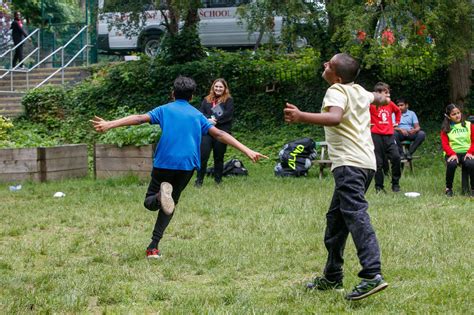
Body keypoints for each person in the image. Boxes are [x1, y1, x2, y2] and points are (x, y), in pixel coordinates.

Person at [91, 76, 267, 259]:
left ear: (173, 93)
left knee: (150, 202)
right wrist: (247, 150)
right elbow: (220, 134)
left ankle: (160, 196)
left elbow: (138, 119)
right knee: (170, 204)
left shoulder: (164, 110)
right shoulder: (197, 115)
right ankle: (153, 246)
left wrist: (109, 124)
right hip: (187, 166)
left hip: (164, 162)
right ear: (191, 97)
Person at [284, 53, 389, 301]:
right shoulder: (359, 91)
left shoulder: (336, 90)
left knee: (356, 215)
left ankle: (372, 274)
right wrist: (383, 98)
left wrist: (301, 117)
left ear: (338, 76)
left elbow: (334, 117)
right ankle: (332, 276)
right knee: (336, 220)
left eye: (329, 64)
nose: (324, 64)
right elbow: (377, 98)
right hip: (366, 165)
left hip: (349, 166)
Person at [195, 78, 234, 186]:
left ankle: (218, 181)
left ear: (225, 88)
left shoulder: (228, 100)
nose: (218, 88)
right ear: (213, 87)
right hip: (207, 131)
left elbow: (228, 115)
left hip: (222, 132)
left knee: (219, 157)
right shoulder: (206, 99)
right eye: (216, 86)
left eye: (221, 87)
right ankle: (199, 180)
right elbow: (201, 113)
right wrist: (208, 120)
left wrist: (215, 121)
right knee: (203, 156)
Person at [370, 82, 402, 193]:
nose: (388, 95)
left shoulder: (390, 104)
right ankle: (379, 187)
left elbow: (398, 111)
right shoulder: (371, 104)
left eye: (388, 92)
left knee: (396, 157)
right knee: (378, 162)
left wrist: (396, 122)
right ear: (377, 94)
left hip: (389, 135)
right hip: (376, 135)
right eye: (385, 92)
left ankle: (395, 184)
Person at [440, 103, 474, 197]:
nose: (457, 115)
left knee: (471, 164)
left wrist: (470, 152)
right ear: (448, 116)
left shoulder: (469, 125)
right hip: (452, 153)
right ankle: (448, 188)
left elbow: (473, 141)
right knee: (452, 164)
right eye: (453, 114)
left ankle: (473, 189)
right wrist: (452, 154)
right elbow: (445, 144)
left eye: (458, 113)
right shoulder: (446, 128)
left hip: (467, 152)